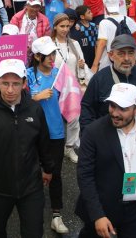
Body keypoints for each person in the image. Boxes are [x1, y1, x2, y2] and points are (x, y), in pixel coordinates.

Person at [0, 59, 54, 238]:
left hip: (31, 187)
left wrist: (48, 168)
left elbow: (44, 142)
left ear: (24, 83)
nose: (10, 89)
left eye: (15, 84)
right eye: (5, 83)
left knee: (34, 232)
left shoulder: (35, 109)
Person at [76, 83, 136, 238]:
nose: (115, 113)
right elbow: (84, 175)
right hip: (103, 210)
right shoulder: (93, 132)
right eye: (112, 106)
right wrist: (98, 215)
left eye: (123, 108)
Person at [26, 37, 70, 234]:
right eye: (48, 54)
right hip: (30, 133)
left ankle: (56, 215)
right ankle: (30, 210)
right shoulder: (25, 76)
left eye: (54, 53)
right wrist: (35, 98)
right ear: (37, 56)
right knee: (31, 173)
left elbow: (71, 95)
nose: (52, 58)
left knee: (55, 174)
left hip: (55, 133)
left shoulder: (60, 75)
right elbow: (16, 102)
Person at [51, 13, 87, 162]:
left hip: (71, 87)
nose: (65, 29)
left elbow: (81, 62)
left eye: (67, 26)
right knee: (54, 119)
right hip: (54, 87)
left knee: (74, 118)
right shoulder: (49, 44)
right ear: (55, 27)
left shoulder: (74, 43)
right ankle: (52, 148)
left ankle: (70, 147)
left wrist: (82, 74)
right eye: (62, 26)